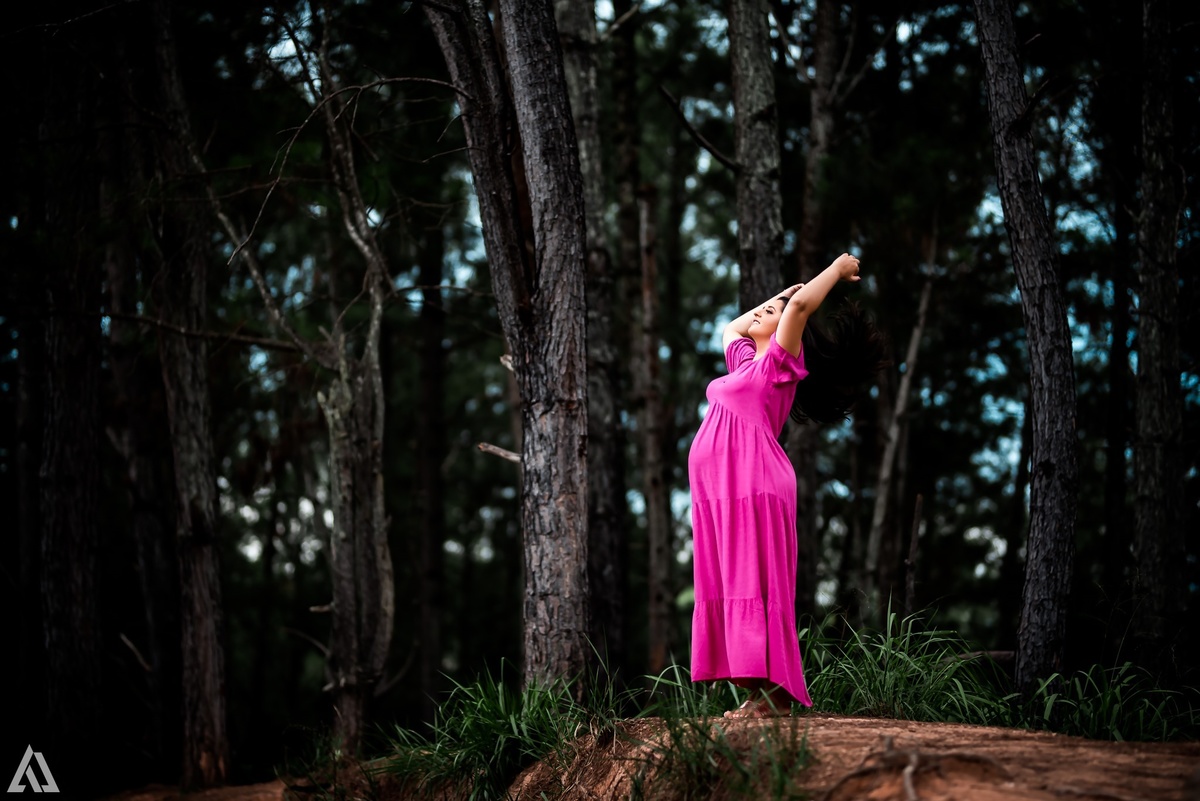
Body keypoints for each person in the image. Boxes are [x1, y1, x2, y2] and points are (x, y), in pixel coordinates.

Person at [688, 252, 887, 719]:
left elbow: (798, 312)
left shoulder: (780, 362)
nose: (762, 311)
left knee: (755, 581)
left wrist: (835, 272)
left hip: (754, 482)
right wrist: (779, 296)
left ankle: (774, 697)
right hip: (719, 492)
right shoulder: (741, 363)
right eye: (765, 307)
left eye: (771, 311)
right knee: (732, 580)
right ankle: (758, 694)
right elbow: (730, 329)